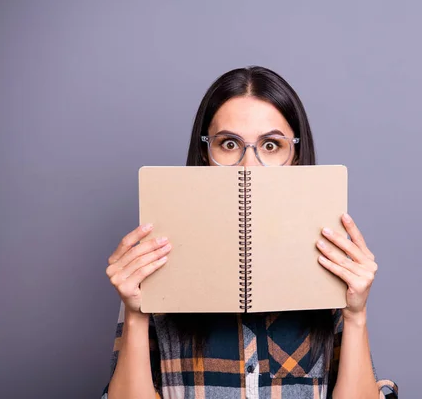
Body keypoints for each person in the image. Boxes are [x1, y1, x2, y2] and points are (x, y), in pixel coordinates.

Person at [102, 66, 398, 399]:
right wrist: (135, 313)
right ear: (205, 153)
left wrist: (356, 316)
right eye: (229, 144)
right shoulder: (155, 262)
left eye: (271, 146)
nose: (248, 167)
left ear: (296, 155)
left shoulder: (329, 261)